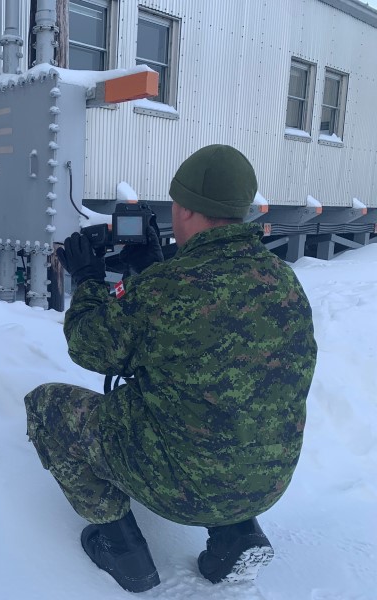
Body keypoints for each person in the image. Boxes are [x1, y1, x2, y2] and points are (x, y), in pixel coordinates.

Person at [24, 145, 317, 593]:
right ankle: (237, 535)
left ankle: (123, 551)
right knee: (228, 407)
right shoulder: (282, 279)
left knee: (46, 406)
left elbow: (90, 347)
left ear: (184, 210)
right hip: (267, 478)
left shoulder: (166, 291)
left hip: (184, 485)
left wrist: (86, 280)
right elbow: (205, 332)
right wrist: (157, 270)